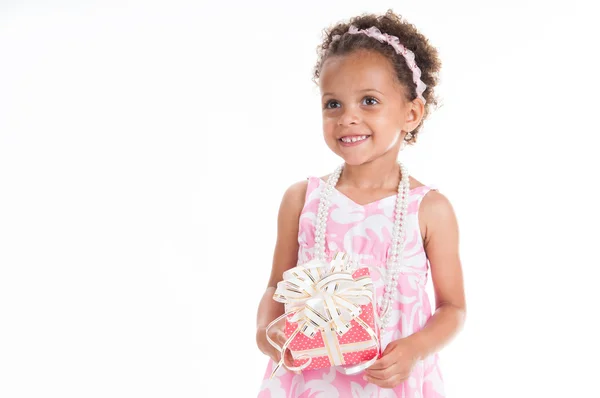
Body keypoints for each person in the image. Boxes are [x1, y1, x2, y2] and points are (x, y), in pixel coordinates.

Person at [255, 9, 466, 397]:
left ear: (411, 113)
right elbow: (275, 287)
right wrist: (266, 330)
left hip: (390, 381)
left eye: (369, 101)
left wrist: (415, 349)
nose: (347, 118)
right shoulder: (302, 200)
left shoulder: (429, 210)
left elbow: (453, 308)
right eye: (332, 104)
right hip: (308, 378)